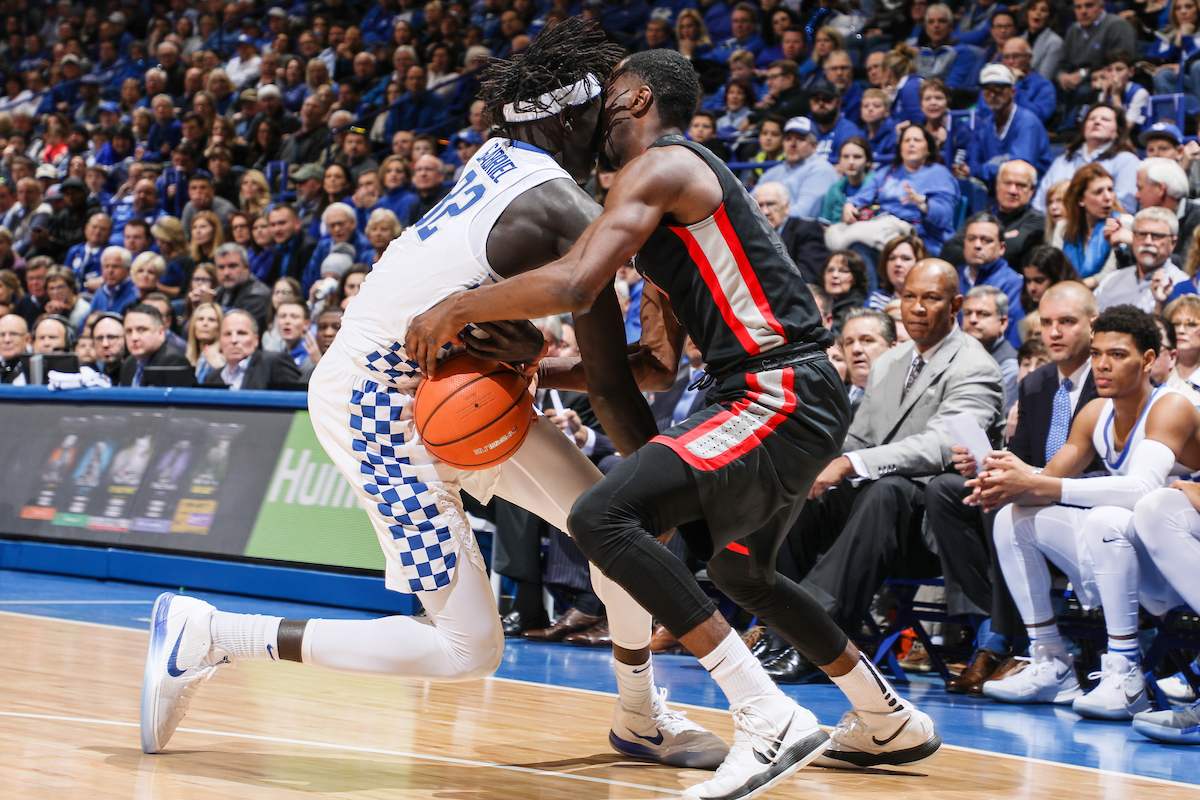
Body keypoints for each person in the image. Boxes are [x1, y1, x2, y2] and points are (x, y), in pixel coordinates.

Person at [140, 22, 729, 777]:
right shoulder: (563, 209)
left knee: (610, 533)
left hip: (451, 384)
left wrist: (521, 346)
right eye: (602, 113)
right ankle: (213, 634)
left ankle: (641, 717)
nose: (614, 127)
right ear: (567, 120)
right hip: (377, 401)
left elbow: (474, 284)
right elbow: (615, 383)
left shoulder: (498, 156)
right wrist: (662, 481)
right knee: (469, 646)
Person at [408, 48, 941, 799]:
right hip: (775, 394)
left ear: (634, 98)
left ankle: (765, 716)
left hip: (775, 390)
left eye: (604, 93)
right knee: (738, 571)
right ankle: (886, 719)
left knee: (602, 513)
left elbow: (575, 280)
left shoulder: (662, 165)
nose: (589, 111)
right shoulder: (662, 214)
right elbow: (654, 365)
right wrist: (534, 369)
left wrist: (455, 308)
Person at [975, 306, 1200, 721]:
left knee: (1107, 517)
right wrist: (1005, 482)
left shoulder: (1172, 406)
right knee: (1015, 518)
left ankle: (1125, 672)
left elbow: (1141, 488)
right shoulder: (1096, 413)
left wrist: (1037, 481)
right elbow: (1044, 486)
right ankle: (1051, 662)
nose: (1101, 364)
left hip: (1183, 554)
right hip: (1138, 546)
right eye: (1097, 353)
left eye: (1117, 354)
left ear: (1149, 360)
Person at [825, 124, 959, 255]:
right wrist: (850, 205)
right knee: (838, 237)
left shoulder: (939, 173)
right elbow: (861, 197)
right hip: (882, 227)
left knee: (860, 248)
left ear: (928, 149)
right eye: (907, 140)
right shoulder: (888, 171)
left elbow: (945, 216)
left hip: (920, 237)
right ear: (900, 147)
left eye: (917, 140)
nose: (911, 144)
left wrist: (922, 203)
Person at [1033, 103, 1141, 215]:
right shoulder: (1065, 158)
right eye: (1091, 119)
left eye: (1105, 119)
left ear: (1118, 131)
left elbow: (1124, 209)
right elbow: (1040, 204)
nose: (1097, 122)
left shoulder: (1127, 160)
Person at [940, 160, 1044, 270]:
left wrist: (971, 247)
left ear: (1032, 189)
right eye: (1007, 183)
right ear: (997, 184)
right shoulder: (980, 218)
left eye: (1021, 185)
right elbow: (949, 251)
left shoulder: (1038, 221)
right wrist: (1001, 239)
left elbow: (1012, 250)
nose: (1012, 191)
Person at [966, 64, 1050, 187]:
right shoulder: (985, 126)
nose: (993, 95)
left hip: (1031, 193)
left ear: (1012, 92)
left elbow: (1018, 168)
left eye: (998, 89)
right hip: (999, 192)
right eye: (987, 90)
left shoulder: (1027, 122)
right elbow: (972, 164)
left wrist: (980, 170)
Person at [1052, 163, 1133, 288]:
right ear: (1080, 199)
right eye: (1098, 192)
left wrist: (1074, 288)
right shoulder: (1063, 227)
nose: (1107, 197)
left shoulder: (1123, 223)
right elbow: (1055, 268)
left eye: (1110, 190)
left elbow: (1111, 272)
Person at [958, 212, 1025, 347]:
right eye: (971, 239)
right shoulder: (953, 277)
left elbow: (1010, 337)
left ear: (1001, 248)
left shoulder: (1013, 284)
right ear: (964, 243)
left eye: (986, 240)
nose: (977, 245)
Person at [757, 116, 839, 220]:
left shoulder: (821, 169)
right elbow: (749, 204)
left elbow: (803, 213)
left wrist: (766, 220)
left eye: (800, 139)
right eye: (788, 139)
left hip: (804, 232)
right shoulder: (773, 172)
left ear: (813, 145)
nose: (793, 144)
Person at [203, 308, 302, 389]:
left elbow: (298, 403)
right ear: (220, 341)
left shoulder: (274, 363)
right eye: (227, 334)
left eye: (241, 333)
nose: (234, 340)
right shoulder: (211, 378)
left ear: (256, 340)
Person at [753, 181, 829, 284]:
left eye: (771, 204)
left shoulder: (806, 230)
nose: (765, 212)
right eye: (760, 206)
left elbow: (807, 277)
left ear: (787, 206)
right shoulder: (754, 236)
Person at [963, 285, 1018, 412]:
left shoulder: (1009, 366)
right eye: (967, 313)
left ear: (1002, 323)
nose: (972, 320)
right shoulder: (956, 353)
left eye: (983, 314)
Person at [119, 302, 194, 387]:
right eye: (129, 331)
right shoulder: (128, 364)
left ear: (161, 332)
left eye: (142, 330)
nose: (134, 337)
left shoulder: (173, 361)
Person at [840, 307, 897, 409]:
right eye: (849, 342)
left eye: (867, 340)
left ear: (892, 349)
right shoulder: (831, 400)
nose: (856, 349)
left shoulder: (904, 398)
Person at [212, 242, 273, 334]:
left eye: (232, 266)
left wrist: (208, 309)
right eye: (221, 267)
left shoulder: (258, 295)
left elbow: (235, 330)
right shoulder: (218, 292)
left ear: (246, 267)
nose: (226, 273)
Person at [820, 137, 874, 223]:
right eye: (845, 157)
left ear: (868, 162)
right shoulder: (834, 189)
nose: (851, 162)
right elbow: (825, 222)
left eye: (857, 157)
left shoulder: (877, 186)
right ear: (839, 161)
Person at [866, 233, 927, 309]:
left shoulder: (928, 301)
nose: (897, 264)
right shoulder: (875, 299)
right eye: (892, 258)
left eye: (906, 258)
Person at [1020, 245, 1082, 314]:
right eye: (1028, 281)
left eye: (1039, 281)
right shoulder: (1027, 305)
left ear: (1057, 278)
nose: (1032, 288)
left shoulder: (1078, 307)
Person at [822, 249, 869, 333]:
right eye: (830, 270)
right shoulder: (822, 301)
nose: (835, 275)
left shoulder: (856, 304)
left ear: (856, 277)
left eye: (843, 271)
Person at [91, 246, 139, 315]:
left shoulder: (135, 294)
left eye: (115, 266)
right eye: (106, 266)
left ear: (128, 270)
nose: (110, 271)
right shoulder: (99, 294)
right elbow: (86, 323)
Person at [185, 301, 224, 384]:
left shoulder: (222, 359)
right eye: (200, 319)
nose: (205, 323)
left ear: (219, 327)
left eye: (211, 320)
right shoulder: (187, 359)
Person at [0, 313, 29, 382]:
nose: (7, 340)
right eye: (2, 335)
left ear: (27, 339)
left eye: (13, 334)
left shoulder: (37, 370)